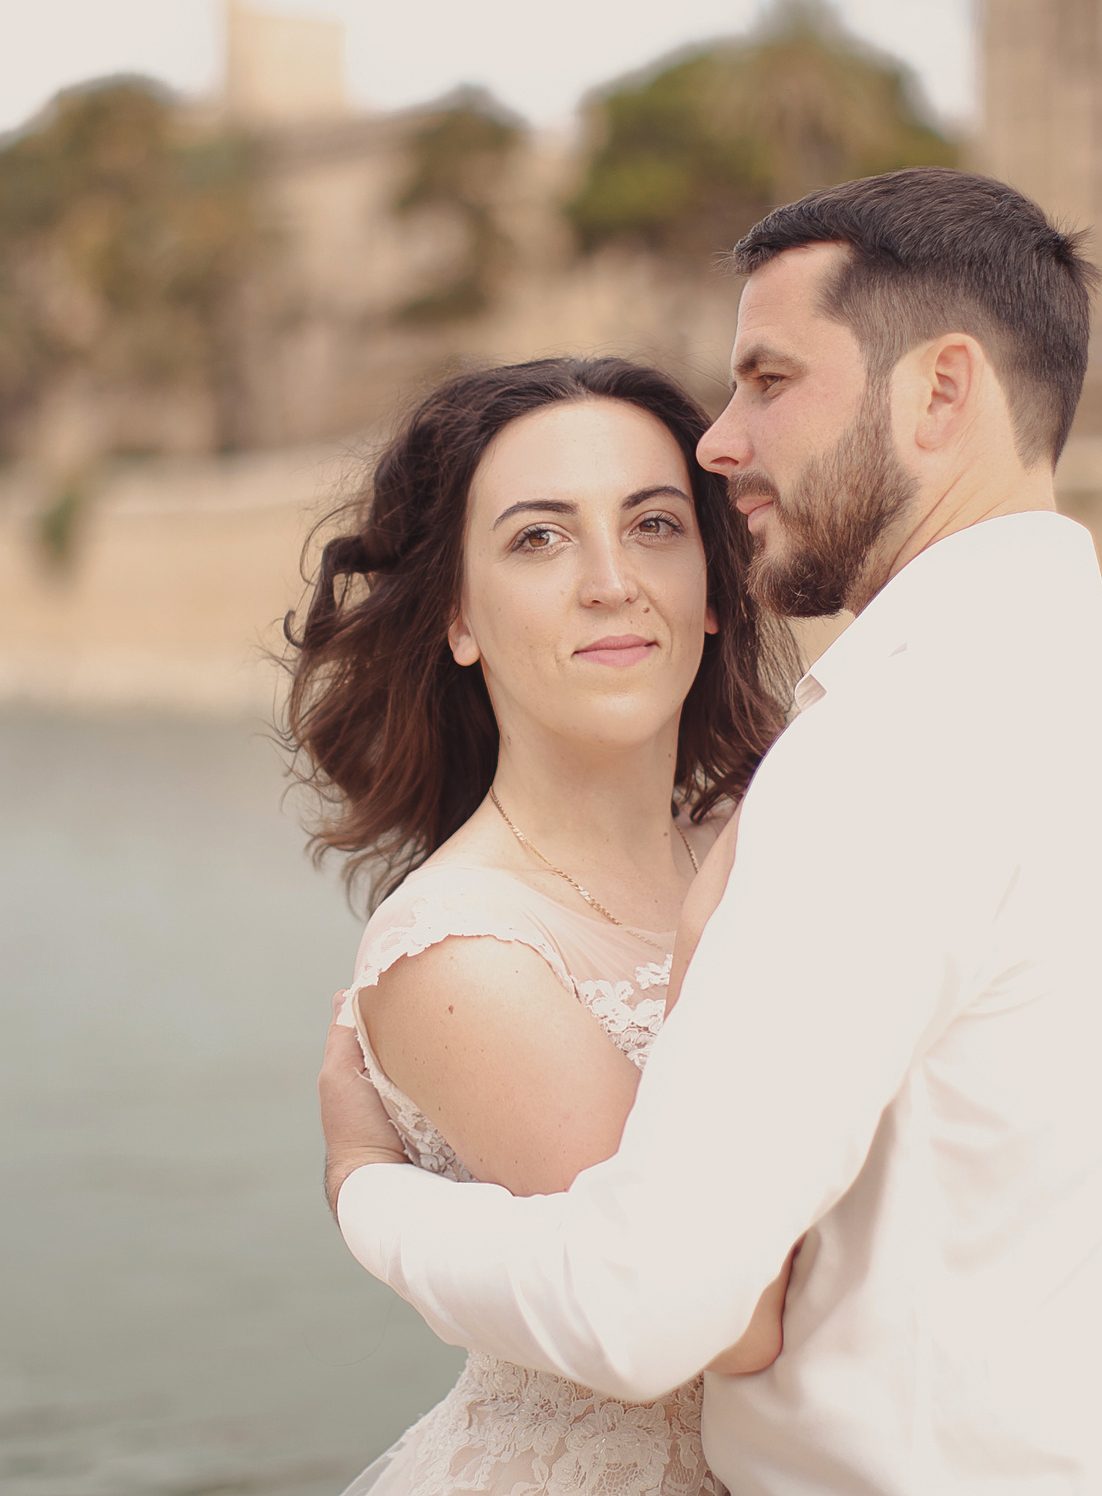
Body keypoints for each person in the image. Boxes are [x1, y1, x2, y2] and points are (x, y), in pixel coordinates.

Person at [318, 168, 1102, 1496]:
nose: (725, 442)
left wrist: (367, 1189)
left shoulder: (872, 759)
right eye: (540, 537)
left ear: (940, 391)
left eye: (770, 380)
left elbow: (654, 1304)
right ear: (458, 610)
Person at [283, 357, 799, 1495]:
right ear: (458, 617)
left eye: (654, 525)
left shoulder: (773, 837)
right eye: (539, 538)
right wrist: (363, 1180)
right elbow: (727, 1317)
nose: (612, 582)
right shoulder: (461, 952)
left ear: (714, 589)